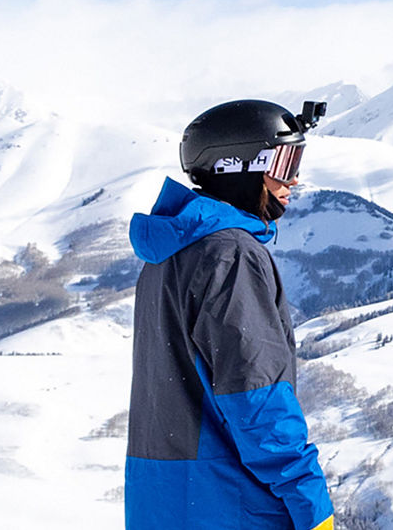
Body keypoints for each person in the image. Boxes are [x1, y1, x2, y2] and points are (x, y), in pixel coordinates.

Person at [126, 99, 336, 530]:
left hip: (163, 508)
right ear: (239, 166)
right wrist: (313, 506)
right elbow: (256, 400)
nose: (294, 178)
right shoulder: (231, 255)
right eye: (283, 162)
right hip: (230, 508)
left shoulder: (165, 256)